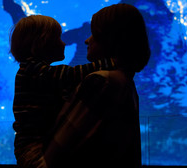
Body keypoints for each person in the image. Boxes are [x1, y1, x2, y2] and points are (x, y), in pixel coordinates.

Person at [44, 3, 151, 167]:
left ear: (109, 38)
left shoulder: (102, 81)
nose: (87, 40)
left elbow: (57, 152)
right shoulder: (124, 82)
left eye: (94, 34)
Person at [10, 15, 117, 168]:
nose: (64, 43)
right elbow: (71, 75)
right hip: (33, 149)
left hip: (39, 146)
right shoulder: (32, 70)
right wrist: (112, 62)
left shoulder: (35, 71)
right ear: (42, 43)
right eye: (58, 38)